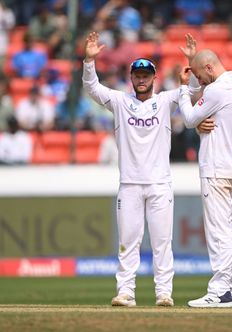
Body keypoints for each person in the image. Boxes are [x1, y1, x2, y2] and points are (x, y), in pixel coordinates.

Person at [82, 31, 199, 308]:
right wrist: (89, 61)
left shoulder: (166, 101)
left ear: (153, 78)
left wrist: (192, 63)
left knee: (162, 243)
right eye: (137, 74)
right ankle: (125, 292)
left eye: (146, 74)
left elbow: (192, 91)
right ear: (131, 78)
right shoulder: (121, 102)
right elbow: (92, 88)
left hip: (160, 184)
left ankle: (163, 293)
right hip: (130, 185)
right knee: (128, 243)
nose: (142, 78)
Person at [177, 37, 232, 308]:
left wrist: (184, 87)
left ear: (208, 67)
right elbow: (205, 114)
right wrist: (191, 62)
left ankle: (220, 291)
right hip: (231, 167)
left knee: (219, 232)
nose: (198, 81)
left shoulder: (218, 90)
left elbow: (188, 118)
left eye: (199, 75)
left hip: (216, 168)